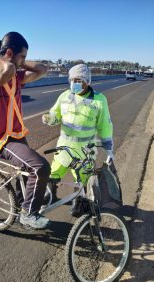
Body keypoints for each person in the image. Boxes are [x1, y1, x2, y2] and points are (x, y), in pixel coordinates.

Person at [0, 31, 51, 229]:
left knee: (24, 174)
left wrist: (17, 61)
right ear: (9, 52)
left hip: (18, 136)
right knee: (40, 167)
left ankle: (19, 210)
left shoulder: (16, 77)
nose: (24, 61)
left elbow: (42, 69)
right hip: (4, 140)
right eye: (23, 56)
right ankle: (29, 214)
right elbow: (7, 69)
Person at [42, 64, 113, 216]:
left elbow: (104, 126)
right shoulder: (65, 96)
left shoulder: (99, 101)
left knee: (81, 179)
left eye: (79, 80)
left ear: (88, 81)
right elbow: (56, 114)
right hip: (64, 148)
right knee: (54, 173)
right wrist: (50, 118)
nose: (75, 83)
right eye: (72, 80)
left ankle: (78, 201)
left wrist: (108, 147)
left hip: (85, 151)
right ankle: (50, 194)